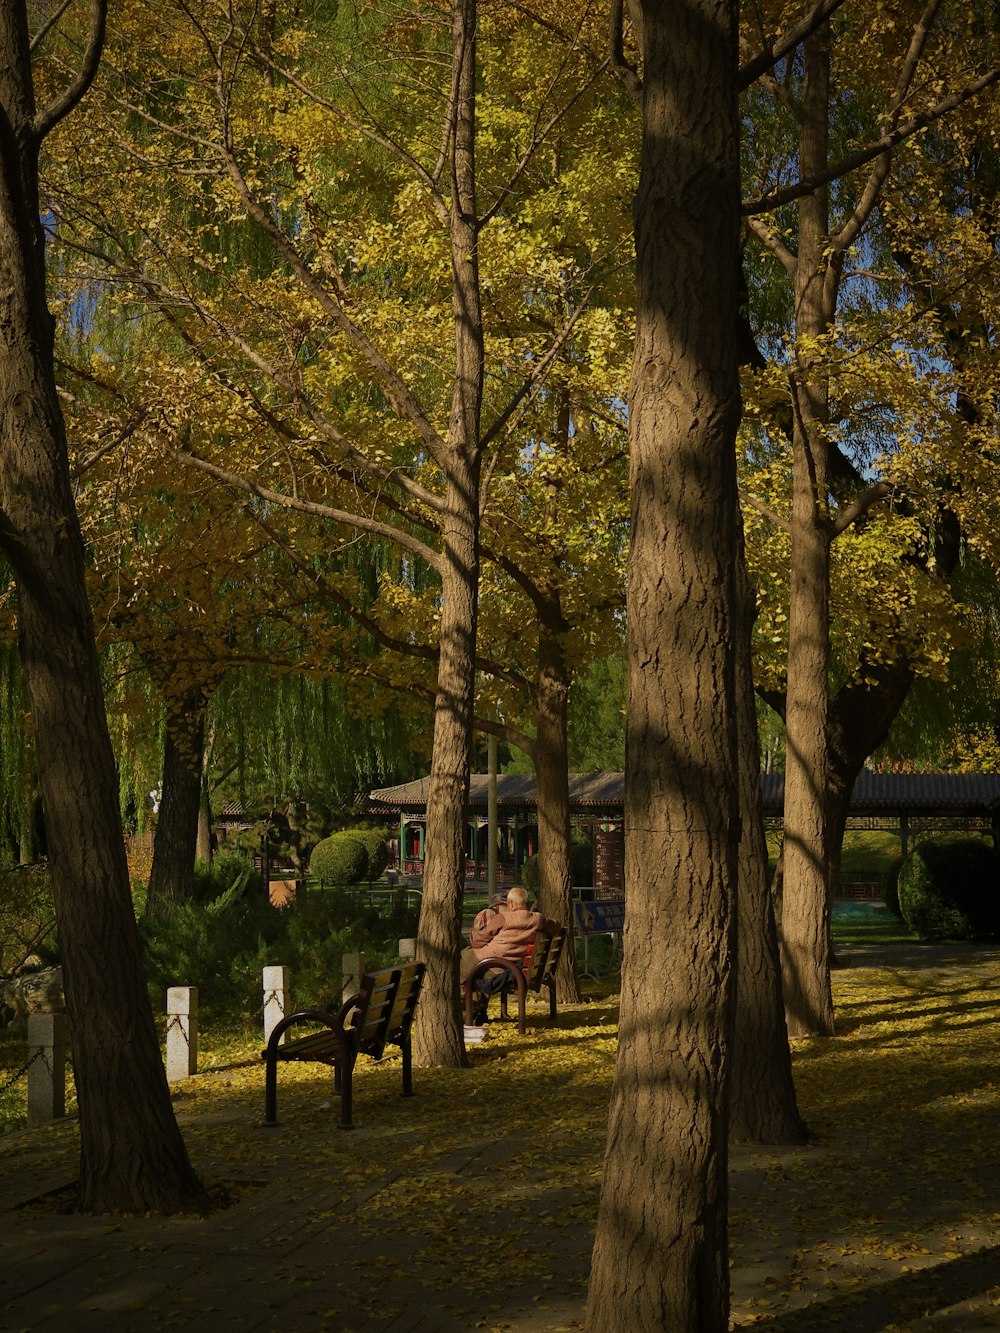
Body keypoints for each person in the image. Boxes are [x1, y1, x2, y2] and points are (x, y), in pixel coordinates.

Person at [462, 885, 560, 1023]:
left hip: (492, 963)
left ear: (511, 903)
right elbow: (556, 926)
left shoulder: (502, 918)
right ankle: (477, 1008)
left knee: (457, 962)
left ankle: (471, 1010)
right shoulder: (537, 919)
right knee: (470, 971)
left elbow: (478, 941)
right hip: (514, 966)